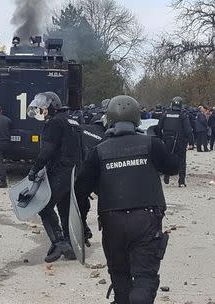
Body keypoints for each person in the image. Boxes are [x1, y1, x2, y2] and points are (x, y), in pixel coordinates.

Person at [75, 95, 179, 304]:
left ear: (109, 118)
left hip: (112, 221)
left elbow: (80, 189)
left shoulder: (98, 151)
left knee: (120, 275)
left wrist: (81, 222)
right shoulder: (151, 143)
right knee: (144, 277)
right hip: (146, 220)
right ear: (137, 118)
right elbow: (172, 167)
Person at [26, 92, 82, 262]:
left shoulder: (54, 123)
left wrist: (35, 169)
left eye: (43, 106)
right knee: (64, 209)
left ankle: (59, 243)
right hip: (74, 170)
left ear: (52, 105)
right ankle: (70, 246)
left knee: (44, 206)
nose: (41, 110)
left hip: (60, 170)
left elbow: (48, 150)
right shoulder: (72, 120)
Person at [157, 96, 193, 187]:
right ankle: (181, 181)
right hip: (180, 141)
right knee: (181, 160)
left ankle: (167, 174)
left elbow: (158, 128)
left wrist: (161, 138)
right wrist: (191, 142)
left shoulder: (165, 114)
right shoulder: (182, 115)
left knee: (168, 158)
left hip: (167, 140)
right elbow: (188, 130)